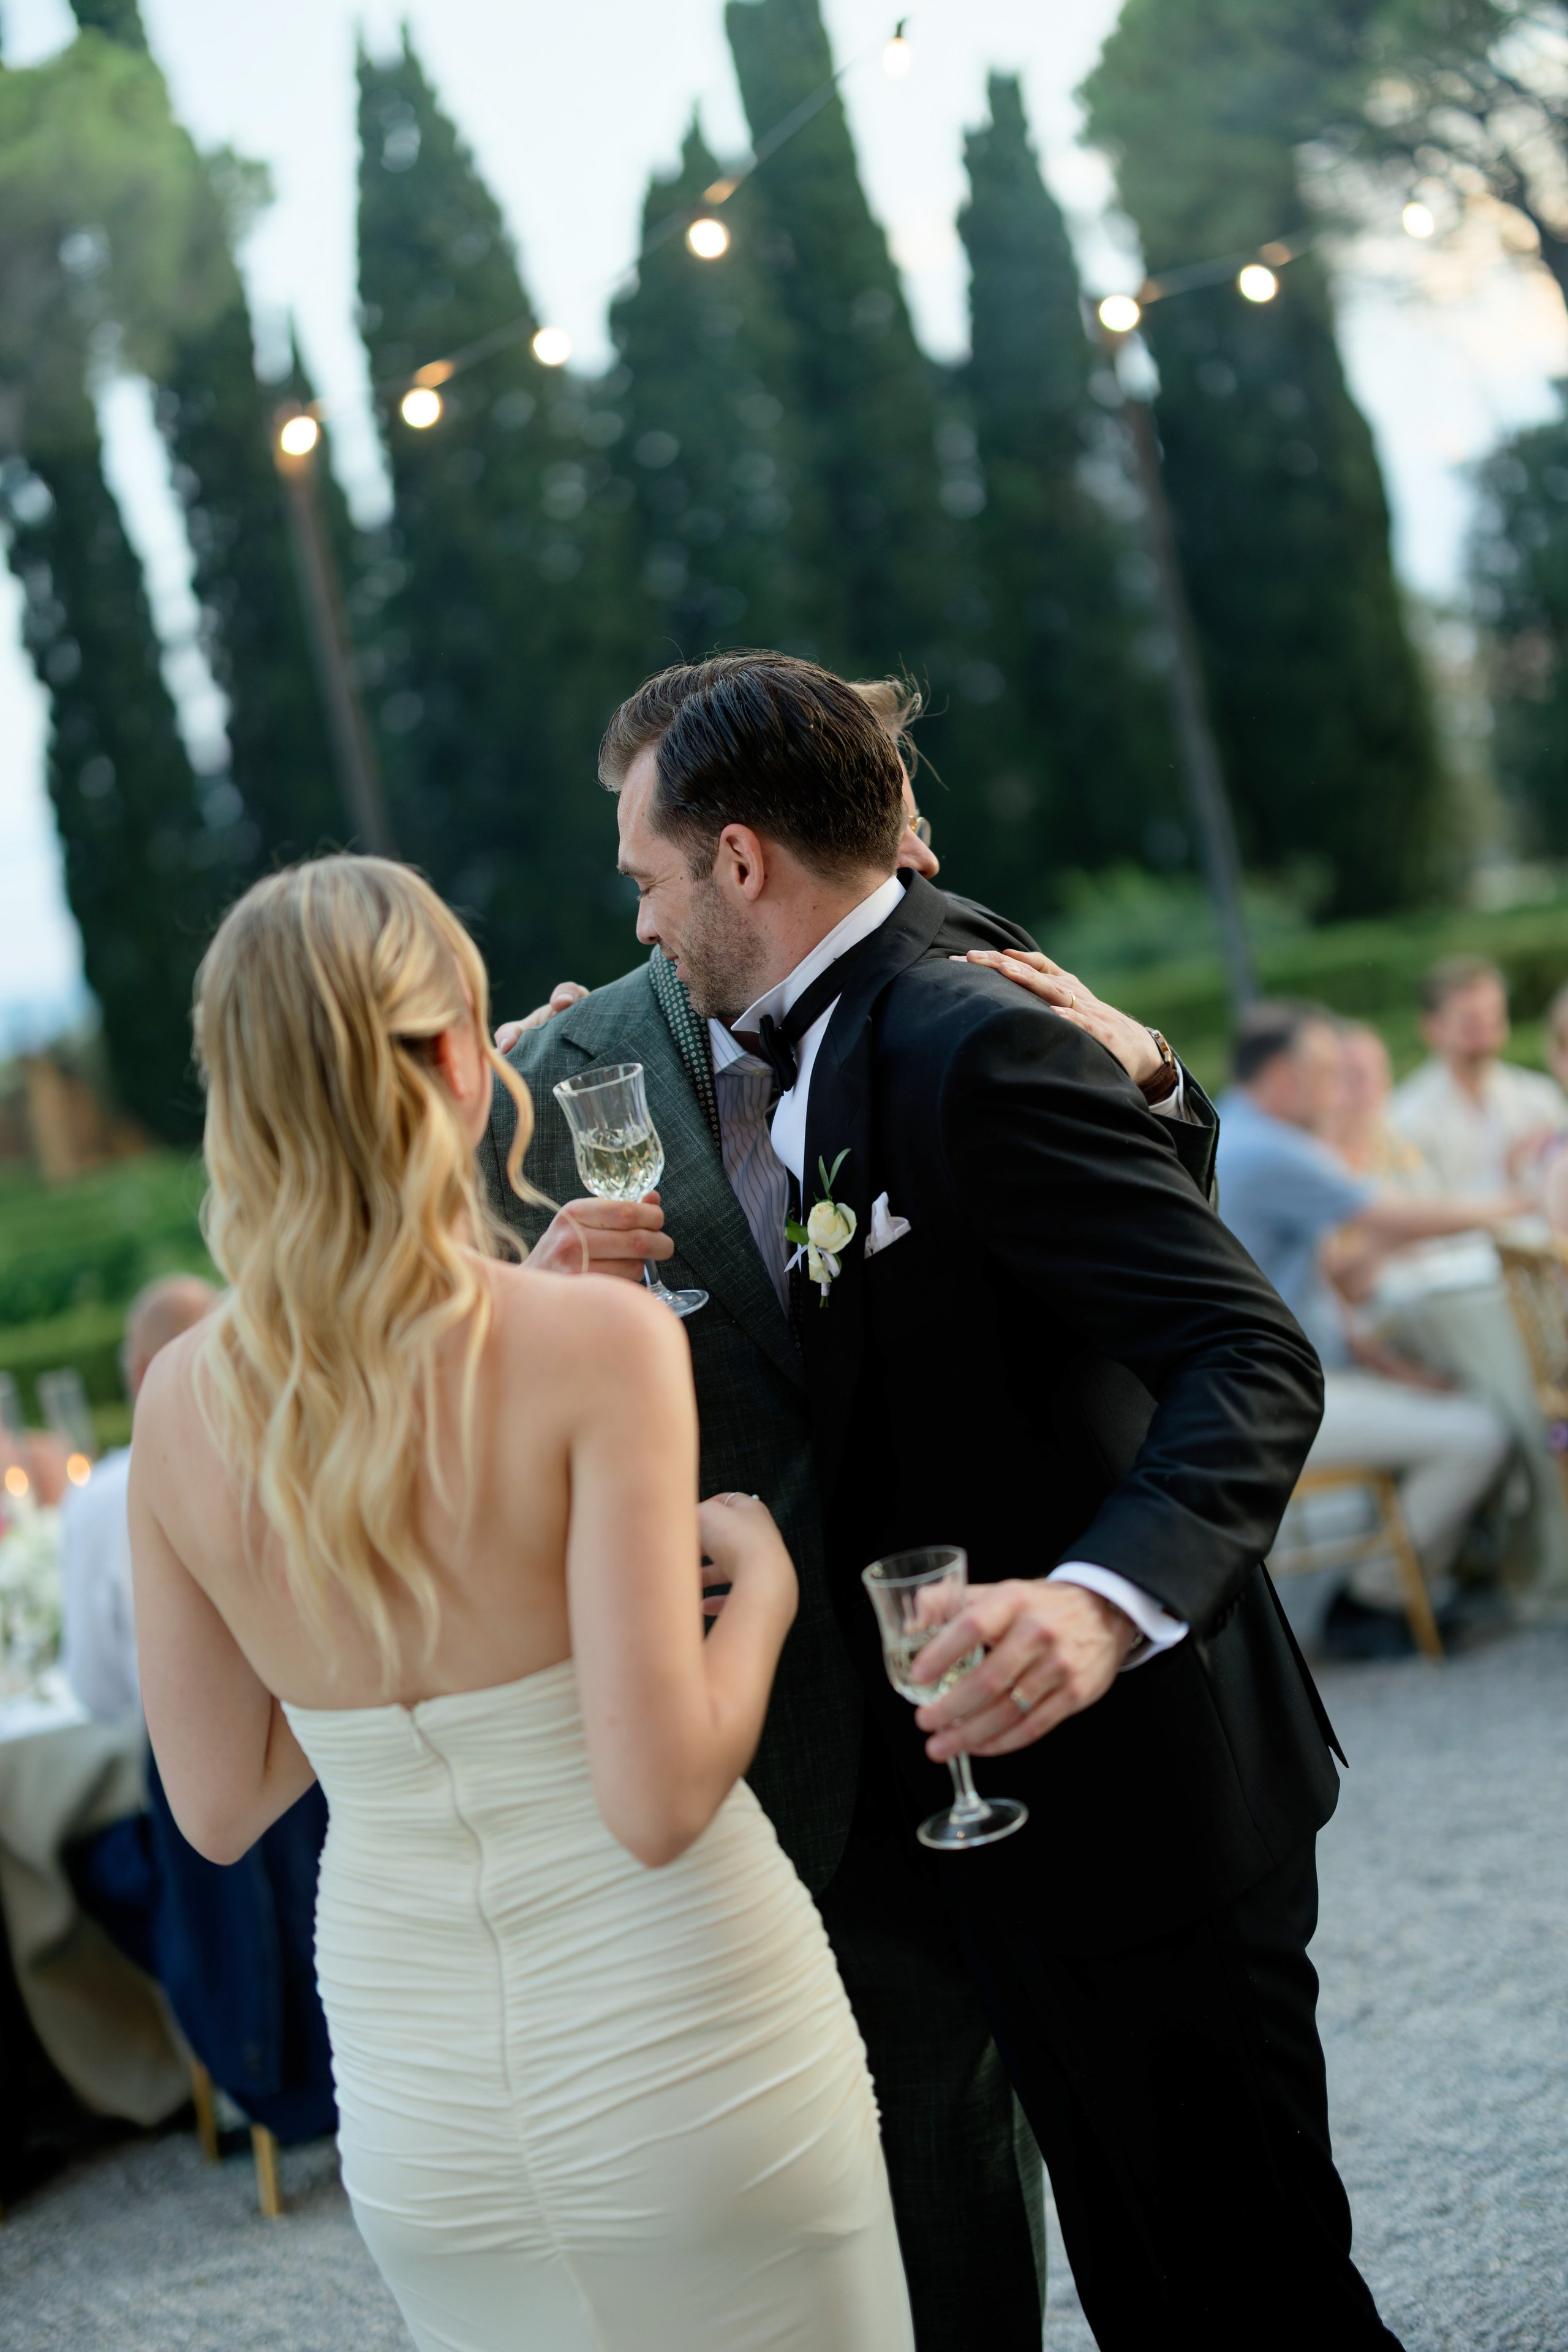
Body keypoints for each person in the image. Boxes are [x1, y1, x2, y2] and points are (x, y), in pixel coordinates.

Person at [488, 650, 1396, 2351]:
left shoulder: (967, 1025)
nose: (638, 930)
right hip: (989, 1798)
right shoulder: (817, 1033)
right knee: (1154, 2294)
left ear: (741, 860)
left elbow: (1247, 1356)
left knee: (1256, 2293)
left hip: (1144, 1783)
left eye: (648, 881)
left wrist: (1097, 1599)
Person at [129, 856, 914, 2352]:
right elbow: (657, 1795)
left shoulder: (180, 1403)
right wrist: (759, 1583)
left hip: (427, 2115)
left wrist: (368, 1643)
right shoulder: (590, 1343)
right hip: (686, 2046)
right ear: (447, 1057)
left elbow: (220, 1800)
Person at [1218, 1002, 1517, 1654]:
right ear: (1281, 1077)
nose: (1337, 1089)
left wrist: (1397, 1368)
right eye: (1326, 1072)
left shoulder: (1228, 1129)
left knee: (1453, 1402)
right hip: (1275, 1402)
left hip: (1253, 1387)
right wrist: (1520, 1201)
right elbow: (1400, 1217)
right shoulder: (1272, 1149)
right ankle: (1374, 1601)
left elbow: (1328, 1285)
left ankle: (1413, 1585)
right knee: (1481, 1431)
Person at [61, 1274, 218, 1722]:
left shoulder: (99, 1499)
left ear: (137, 1370)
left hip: (171, 1751)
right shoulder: (282, 1463)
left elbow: (95, 1689)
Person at [1390, 954, 1567, 1195]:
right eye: (1470, 1020)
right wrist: (1508, 1172)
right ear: (1432, 1028)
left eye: (1494, 1015)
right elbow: (1418, 1207)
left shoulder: (1540, 1096)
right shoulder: (1406, 1115)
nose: (1485, 1029)